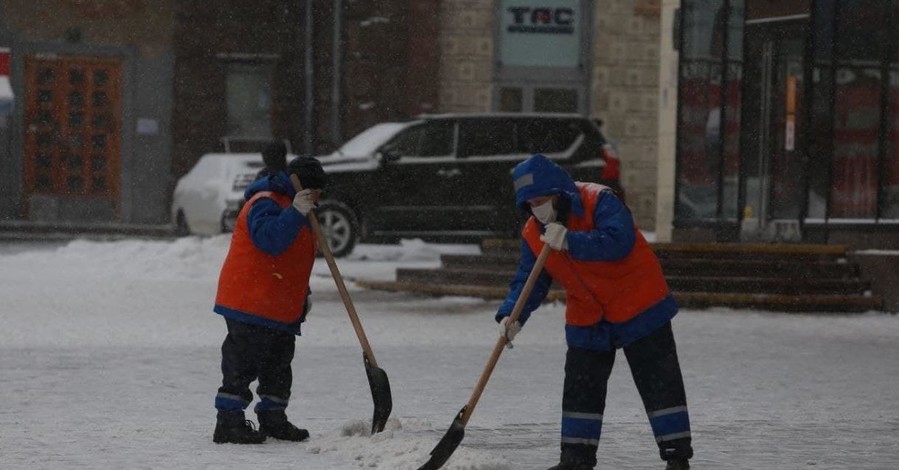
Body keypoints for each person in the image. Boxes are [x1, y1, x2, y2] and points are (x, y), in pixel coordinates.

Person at [496, 154, 693, 470]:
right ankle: (575, 460)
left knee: (659, 382)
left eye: (542, 200)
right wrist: (512, 315)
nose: (538, 209)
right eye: (531, 204)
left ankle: (676, 456)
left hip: (639, 304)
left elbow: (619, 240)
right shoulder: (534, 232)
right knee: (580, 387)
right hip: (588, 314)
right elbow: (529, 279)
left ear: (559, 193)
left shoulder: (598, 200)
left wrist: (572, 241)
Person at [211, 141, 326, 444]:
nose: (319, 200)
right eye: (317, 192)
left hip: (278, 304)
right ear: (301, 186)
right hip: (250, 300)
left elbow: (292, 258)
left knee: (278, 364)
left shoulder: (298, 209)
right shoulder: (266, 202)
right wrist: (296, 213)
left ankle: (273, 418)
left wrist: (304, 292)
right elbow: (269, 241)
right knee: (242, 362)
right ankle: (229, 422)